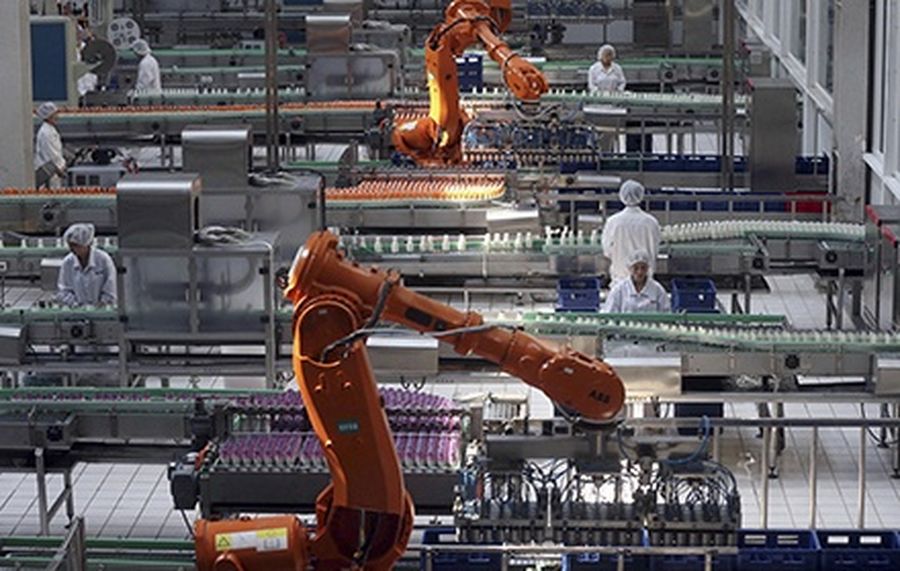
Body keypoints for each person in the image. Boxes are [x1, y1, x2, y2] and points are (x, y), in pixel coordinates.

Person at [601, 180, 661, 283]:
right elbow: (655, 250)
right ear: (640, 196)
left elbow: (607, 251)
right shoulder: (651, 222)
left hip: (620, 280)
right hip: (645, 283)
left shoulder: (613, 222)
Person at [57, 223, 117, 308]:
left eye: (75, 245)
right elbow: (64, 290)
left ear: (86, 244)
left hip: (102, 314)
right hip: (76, 314)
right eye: (70, 245)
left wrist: (100, 306)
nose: (71, 249)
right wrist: (76, 306)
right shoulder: (68, 262)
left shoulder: (103, 260)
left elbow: (111, 289)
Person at [602, 249, 670, 313]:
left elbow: (666, 314)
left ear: (648, 268)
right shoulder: (619, 290)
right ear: (629, 268)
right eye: (636, 268)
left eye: (643, 268)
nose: (639, 272)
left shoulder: (658, 290)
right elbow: (609, 315)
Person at [34, 102, 67, 189]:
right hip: (49, 173)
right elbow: (51, 154)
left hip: (53, 171)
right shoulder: (46, 132)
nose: (57, 116)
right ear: (49, 116)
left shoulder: (50, 129)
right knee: (50, 195)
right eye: (55, 114)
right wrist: (60, 167)